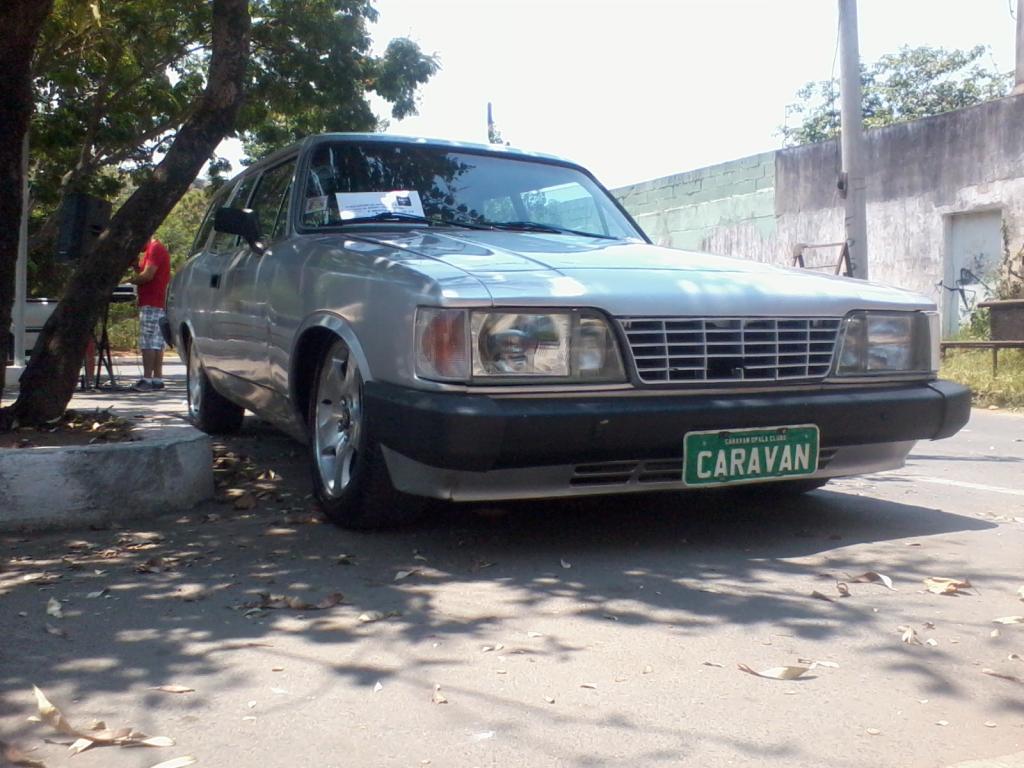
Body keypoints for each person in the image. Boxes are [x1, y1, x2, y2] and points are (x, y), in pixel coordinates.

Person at [129, 238, 171, 391]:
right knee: (157, 342)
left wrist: (129, 281)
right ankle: (157, 379)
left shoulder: (155, 248)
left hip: (152, 301)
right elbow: (144, 272)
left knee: (148, 341)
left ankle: (147, 379)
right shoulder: (151, 250)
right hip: (157, 301)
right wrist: (135, 266)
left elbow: (147, 276)